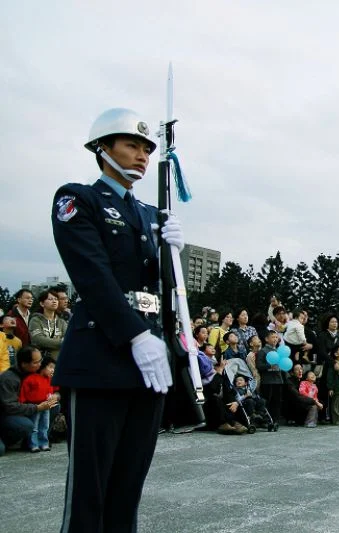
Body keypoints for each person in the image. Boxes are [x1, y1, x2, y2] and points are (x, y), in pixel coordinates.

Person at [50, 108, 184, 531]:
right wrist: (135, 335)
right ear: (102, 149)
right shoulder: (78, 199)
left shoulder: (150, 213)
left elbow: (163, 292)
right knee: (90, 492)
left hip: (149, 362)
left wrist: (173, 255)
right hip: (100, 358)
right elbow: (93, 276)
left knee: (129, 487)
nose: (143, 155)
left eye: (147, 148)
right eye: (131, 145)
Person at [0, 346, 58, 456]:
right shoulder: (9, 378)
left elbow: (55, 389)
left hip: (29, 407)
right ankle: (10, 440)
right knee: (25, 425)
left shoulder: (38, 373)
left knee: (54, 405)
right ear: (24, 364)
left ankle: (39, 440)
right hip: (6, 415)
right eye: (36, 362)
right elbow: (9, 407)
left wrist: (55, 396)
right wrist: (37, 408)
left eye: (40, 360)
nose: (40, 364)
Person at [19, 353, 57, 452]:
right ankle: (33, 444)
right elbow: (24, 391)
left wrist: (54, 396)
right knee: (34, 426)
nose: (52, 370)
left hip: (46, 405)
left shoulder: (49, 379)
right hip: (35, 406)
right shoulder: (31, 378)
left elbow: (55, 389)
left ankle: (43, 443)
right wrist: (23, 402)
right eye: (50, 367)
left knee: (45, 426)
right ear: (43, 367)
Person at [28, 289, 69, 361]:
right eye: (50, 299)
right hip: (41, 362)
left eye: (56, 299)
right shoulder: (35, 320)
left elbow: (68, 339)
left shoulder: (62, 322)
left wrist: (63, 342)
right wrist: (61, 342)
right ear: (42, 303)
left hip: (59, 361)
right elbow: (38, 340)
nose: (54, 301)